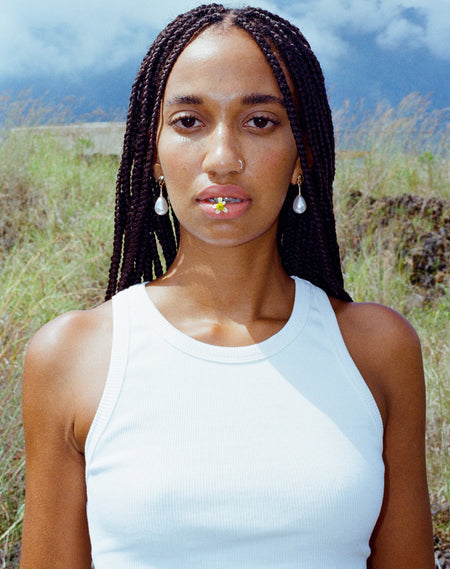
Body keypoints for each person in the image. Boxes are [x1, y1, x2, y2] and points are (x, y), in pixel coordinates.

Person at [20, 4, 435, 568]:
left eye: (259, 121)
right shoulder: (73, 356)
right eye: (189, 122)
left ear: (301, 157)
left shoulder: (376, 350)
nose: (223, 158)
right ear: (154, 156)